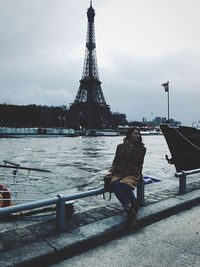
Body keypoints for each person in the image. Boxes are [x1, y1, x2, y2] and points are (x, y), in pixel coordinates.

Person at [105, 127, 146, 228]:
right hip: (120, 172)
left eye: (138, 134)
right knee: (115, 184)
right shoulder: (120, 147)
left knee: (123, 184)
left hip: (133, 173)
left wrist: (140, 175)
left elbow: (140, 164)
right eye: (135, 134)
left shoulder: (142, 149)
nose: (138, 136)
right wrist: (110, 172)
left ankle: (131, 208)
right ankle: (130, 208)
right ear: (129, 135)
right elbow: (115, 161)